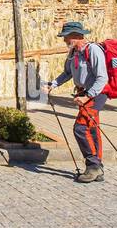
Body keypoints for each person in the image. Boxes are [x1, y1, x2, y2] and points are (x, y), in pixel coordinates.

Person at [44, 20, 108, 183]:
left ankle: (92, 166)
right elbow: (67, 73)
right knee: (91, 128)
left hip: (96, 94)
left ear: (77, 36)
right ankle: (97, 168)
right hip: (83, 93)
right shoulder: (73, 53)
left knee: (80, 128)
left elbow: (102, 78)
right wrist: (53, 85)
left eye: (66, 37)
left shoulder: (93, 50)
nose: (64, 40)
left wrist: (88, 96)